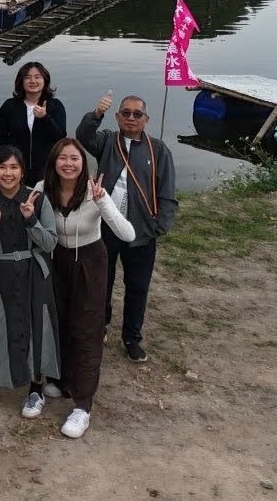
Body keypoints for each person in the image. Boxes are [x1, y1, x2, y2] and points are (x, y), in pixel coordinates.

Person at [38, 137, 136, 439]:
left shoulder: (95, 193)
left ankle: (82, 405)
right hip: (57, 262)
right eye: (62, 158)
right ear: (54, 162)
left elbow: (127, 233)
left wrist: (103, 201)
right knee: (61, 322)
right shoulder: (44, 189)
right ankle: (64, 379)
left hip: (90, 262)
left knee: (86, 330)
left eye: (75, 159)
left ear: (84, 164)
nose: (68, 164)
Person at [76, 91, 177, 364]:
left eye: (137, 114)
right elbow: (83, 137)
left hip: (142, 232)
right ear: (118, 116)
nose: (131, 118)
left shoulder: (158, 150)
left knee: (137, 287)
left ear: (146, 119)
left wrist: (160, 226)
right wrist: (96, 114)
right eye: (126, 113)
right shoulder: (107, 140)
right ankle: (101, 326)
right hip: (106, 228)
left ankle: (132, 337)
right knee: (101, 282)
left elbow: (167, 192)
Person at [0, 146, 60, 419]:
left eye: (13, 167)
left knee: (34, 323)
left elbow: (50, 242)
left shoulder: (37, 199)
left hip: (33, 271)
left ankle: (35, 388)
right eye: (1, 167)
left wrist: (30, 219)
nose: (7, 173)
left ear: (22, 171)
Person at [0, 61, 66, 186]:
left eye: (37, 77)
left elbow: (60, 137)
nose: (33, 81)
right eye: (27, 77)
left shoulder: (55, 105)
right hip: (15, 168)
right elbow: (0, 139)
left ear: (45, 80)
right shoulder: (10, 106)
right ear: (21, 81)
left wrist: (45, 118)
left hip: (46, 168)